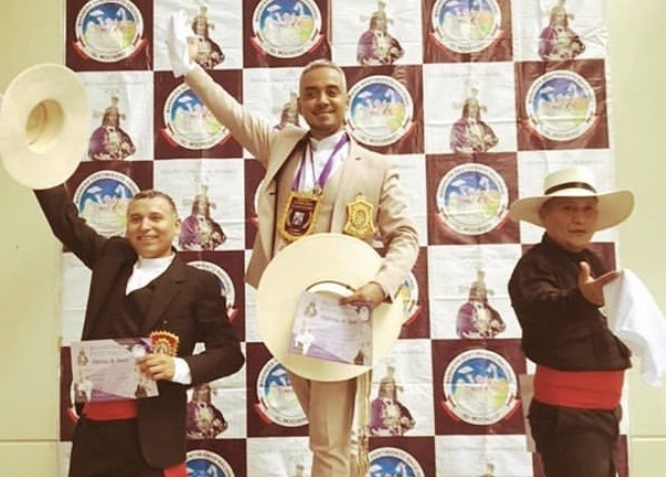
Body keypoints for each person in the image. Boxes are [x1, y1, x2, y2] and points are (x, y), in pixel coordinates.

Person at [167, 12, 419, 477]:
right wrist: (189, 69)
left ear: (347, 100)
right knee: (329, 435)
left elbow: (405, 236)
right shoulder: (281, 146)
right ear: (299, 103)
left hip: (343, 310)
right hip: (286, 310)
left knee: (329, 441)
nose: (322, 100)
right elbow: (231, 112)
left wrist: (381, 285)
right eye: (311, 93)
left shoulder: (377, 168)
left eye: (332, 91)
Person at [34, 184, 245, 476]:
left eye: (156, 217)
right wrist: (41, 167)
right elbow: (65, 223)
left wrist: (178, 367)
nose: (145, 226)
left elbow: (229, 354)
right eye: (135, 219)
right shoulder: (111, 258)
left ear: (176, 225)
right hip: (94, 434)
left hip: (154, 438)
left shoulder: (198, 283)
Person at [507, 165, 635, 477]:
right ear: (544, 215)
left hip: (600, 410)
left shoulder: (591, 261)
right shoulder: (534, 265)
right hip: (570, 412)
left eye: (588, 209)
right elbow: (542, 308)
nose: (579, 218)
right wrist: (583, 298)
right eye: (568, 209)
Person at [456, 269, 505, 339]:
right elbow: (462, 328)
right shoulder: (466, 308)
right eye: (479, 291)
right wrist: (475, 334)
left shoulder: (488, 308)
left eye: (483, 291)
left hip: (488, 340)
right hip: (470, 340)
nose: (481, 293)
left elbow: (501, 324)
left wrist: (497, 325)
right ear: (473, 292)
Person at [88, 95, 136, 161]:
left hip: (119, 163)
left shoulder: (121, 132)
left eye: (116, 116)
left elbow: (131, 148)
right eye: (111, 116)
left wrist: (124, 148)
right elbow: (93, 150)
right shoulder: (99, 132)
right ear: (106, 117)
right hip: (102, 163)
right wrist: (106, 148)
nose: (114, 118)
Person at [178, 185, 227, 251]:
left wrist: (218, 237)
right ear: (196, 205)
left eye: (206, 204)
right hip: (193, 253)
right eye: (201, 204)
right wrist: (192, 247)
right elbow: (184, 240)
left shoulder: (210, 221)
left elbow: (221, 237)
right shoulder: (188, 222)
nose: (204, 207)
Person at [449, 90, 498, 154]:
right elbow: (455, 145)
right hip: (465, 157)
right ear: (466, 109)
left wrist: (488, 140)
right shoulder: (459, 126)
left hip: (482, 156)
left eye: (476, 107)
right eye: (472, 107)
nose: (474, 110)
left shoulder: (483, 125)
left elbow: (494, 140)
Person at [356, 1, 404, 66]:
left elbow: (400, 51)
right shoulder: (367, 36)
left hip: (387, 67)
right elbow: (361, 55)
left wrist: (394, 51)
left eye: (384, 20)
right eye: (380, 20)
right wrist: (369, 61)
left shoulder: (388, 37)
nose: (382, 22)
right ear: (374, 21)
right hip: (371, 67)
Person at [190, 5, 225, 69]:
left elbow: (220, 56)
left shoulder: (210, 42)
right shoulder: (190, 41)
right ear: (195, 26)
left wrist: (215, 57)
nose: (201, 28)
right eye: (200, 25)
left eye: (203, 25)